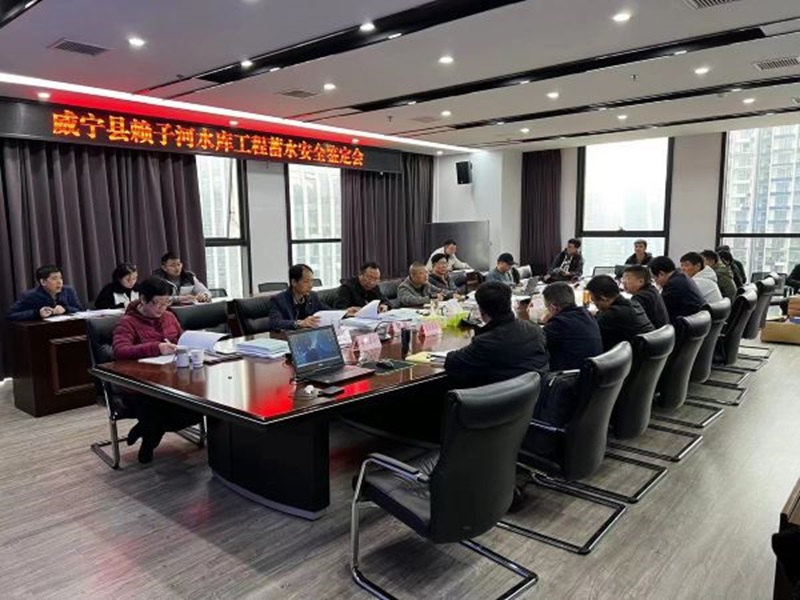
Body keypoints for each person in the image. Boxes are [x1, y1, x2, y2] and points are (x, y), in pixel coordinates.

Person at [112, 277, 202, 463]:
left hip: (171, 379)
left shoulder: (169, 317)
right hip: (139, 385)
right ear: (143, 300)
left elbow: (181, 340)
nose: (162, 308)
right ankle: (149, 437)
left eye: (166, 302)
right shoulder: (127, 322)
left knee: (196, 409)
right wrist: (156, 347)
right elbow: (120, 351)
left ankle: (145, 429)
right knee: (156, 407)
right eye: (157, 303)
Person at [444, 282, 548, 388]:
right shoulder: (534, 329)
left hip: (500, 395)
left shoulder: (486, 342)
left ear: (481, 310)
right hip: (536, 393)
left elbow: (452, 362)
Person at [268, 264, 357, 331]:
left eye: (312, 281)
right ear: (294, 282)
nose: (311, 286)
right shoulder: (279, 300)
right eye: (306, 282)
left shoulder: (312, 296)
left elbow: (327, 311)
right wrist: (300, 323)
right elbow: (274, 323)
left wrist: (345, 312)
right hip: (288, 339)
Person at [541, 282, 603, 371]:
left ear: (553, 308)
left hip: (571, 376)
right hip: (592, 371)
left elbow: (535, 343)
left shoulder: (558, 323)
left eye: (547, 307)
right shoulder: (586, 314)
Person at [585, 275, 654, 351]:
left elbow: (589, 331)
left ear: (603, 298)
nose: (596, 306)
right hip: (647, 351)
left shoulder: (613, 315)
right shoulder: (633, 304)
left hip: (633, 355)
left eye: (594, 301)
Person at [7, 265, 84, 321]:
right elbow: (11, 315)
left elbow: (80, 310)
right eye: (54, 279)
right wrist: (37, 313)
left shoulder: (68, 290)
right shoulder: (30, 295)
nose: (59, 282)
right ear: (43, 282)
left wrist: (66, 309)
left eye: (61, 278)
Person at [649, 256, 706, 324]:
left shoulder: (672, 285)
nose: (656, 282)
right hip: (698, 323)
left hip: (687, 326)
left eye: (654, 278)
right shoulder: (681, 277)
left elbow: (660, 311)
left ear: (661, 274)